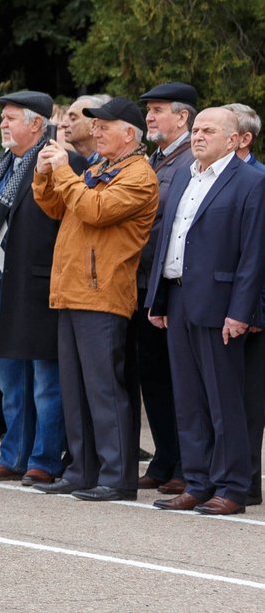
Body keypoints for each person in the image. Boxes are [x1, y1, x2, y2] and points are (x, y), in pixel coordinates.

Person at [31, 96, 159, 502]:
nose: (97, 132)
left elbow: (94, 209)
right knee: (76, 388)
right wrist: (43, 173)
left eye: (105, 126)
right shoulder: (103, 167)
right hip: (73, 289)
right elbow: (55, 206)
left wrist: (66, 171)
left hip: (102, 292)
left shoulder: (139, 175)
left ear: (129, 134)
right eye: (96, 126)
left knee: (105, 389)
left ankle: (118, 477)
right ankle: (82, 469)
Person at [144, 107, 265, 515]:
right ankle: (196, 482)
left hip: (220, 306)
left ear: (234, 140)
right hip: (178, 300)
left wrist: (241, 311)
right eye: (196, 129)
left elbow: (254, 254)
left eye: (208, 130)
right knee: (189, 399)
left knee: (224, 400)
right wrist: (158, 300)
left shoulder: (251, 182)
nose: (198, 136)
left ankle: (233, 487)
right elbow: (167, 241)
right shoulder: (184, 175)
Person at [0, 91, 80, 487]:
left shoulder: (57, 161)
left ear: (37, 124)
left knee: (46, 383)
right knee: (12, 379)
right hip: (3, 283)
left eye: (11, 117)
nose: (3, 124)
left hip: (41, 284)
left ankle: (44, 460)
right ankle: (13, 454)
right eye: (2, 117)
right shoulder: (5, 165)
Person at [133, 81, 196, 492]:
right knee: (152, 376)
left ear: (183, 116)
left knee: (179, 380)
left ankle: (185, 465)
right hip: (141, 282)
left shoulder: (192, 161)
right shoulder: (151, 160)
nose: (149, 118)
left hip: (173, 287)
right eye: (148, 111)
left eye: (157, 110)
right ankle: (164, 457)